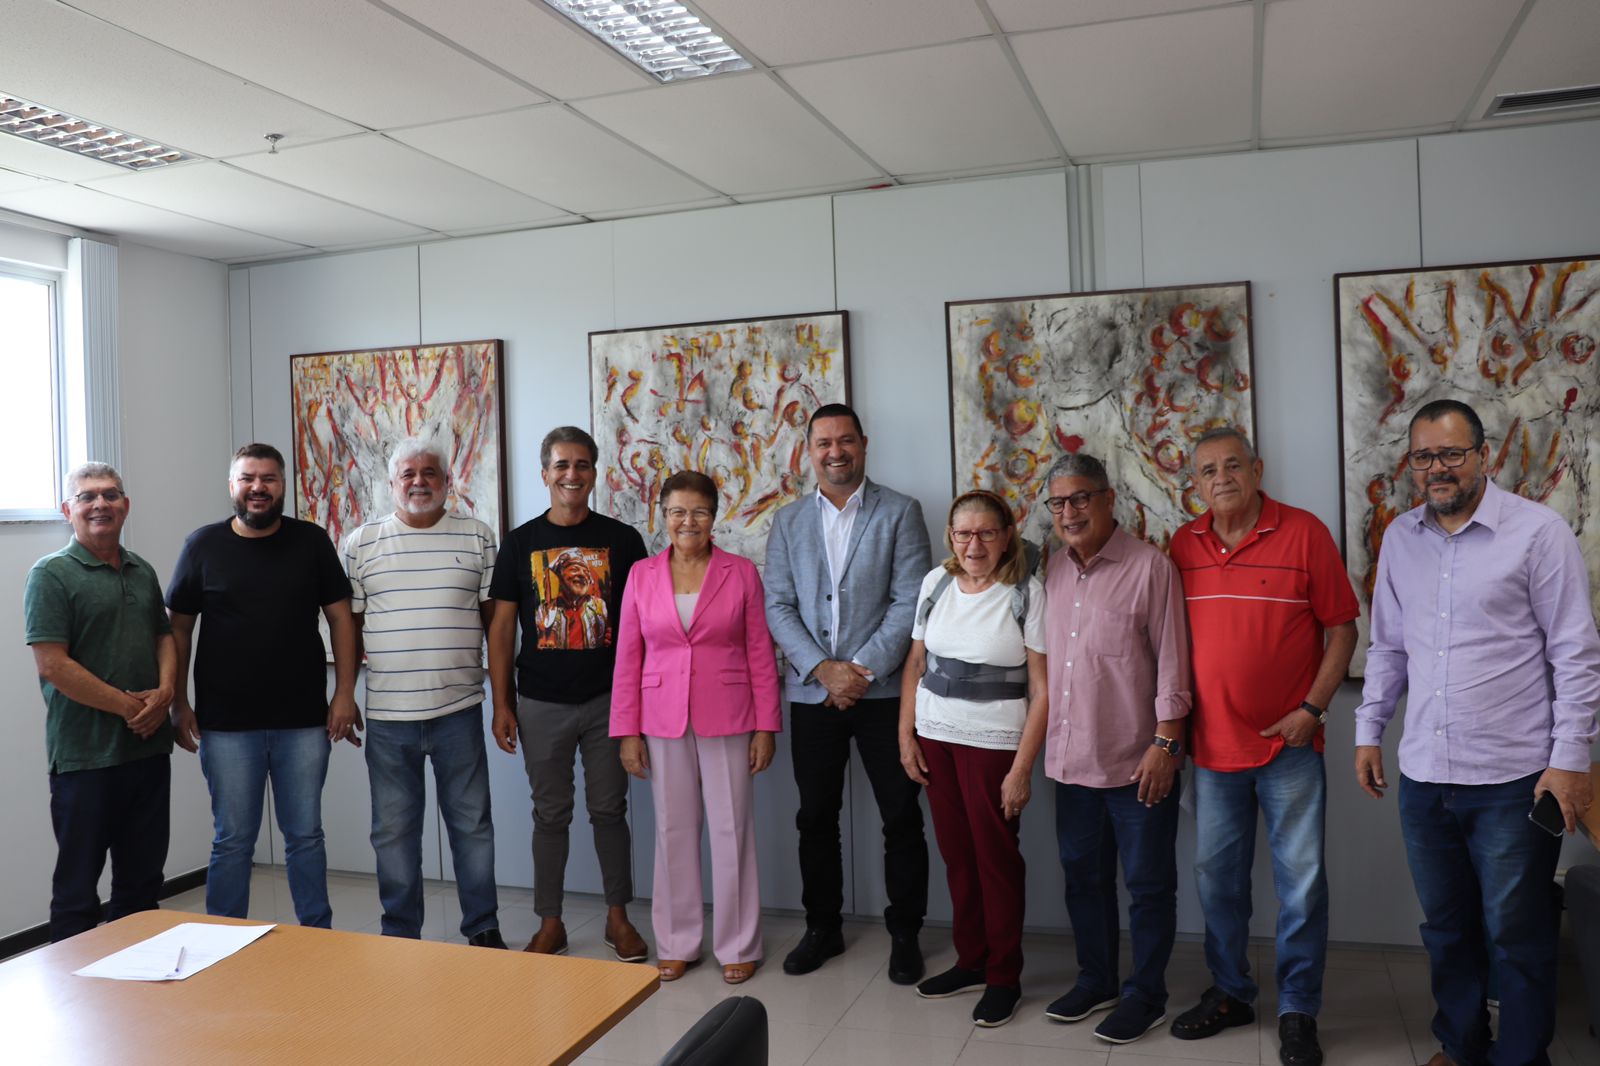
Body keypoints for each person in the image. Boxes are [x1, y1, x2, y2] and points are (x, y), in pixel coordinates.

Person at [1354, 398, 1600, 1066]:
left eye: (1452, 454)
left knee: (1518, 936)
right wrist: (1369, 729)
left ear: (1483, 456)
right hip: (1426, 776)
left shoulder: (1538, 533)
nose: (1438, 468)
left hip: (1515, 780)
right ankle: (1461, 1047)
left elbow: (1575, 654)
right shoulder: (1400, 538)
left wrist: (1570, 762)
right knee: (1447, 930)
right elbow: (1388, 649)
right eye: (1425, 456)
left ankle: (1521, 1058)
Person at [1167, 426, 1358, 1066]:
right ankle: (1231, 992)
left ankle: (1299, 1010)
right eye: (1206, 471)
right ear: (1193, 483)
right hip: (1213, 752)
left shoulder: (1303, 533)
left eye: (1231, 466)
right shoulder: (1181, 544)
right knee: (1217, 882)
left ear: (1257, 468)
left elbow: (1341, 631)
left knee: (1301, 886)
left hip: (1290, 750)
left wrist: (1313, 708)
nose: (1220, 478)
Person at [764, 402, 933, 983]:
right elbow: (778, 605)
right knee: (815, 817)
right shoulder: (786, 522)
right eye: (823, 443)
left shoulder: (901, 512)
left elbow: (910, 602)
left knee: (901, 817)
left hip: (883, 695)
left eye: (845, 441)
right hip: (813, 696)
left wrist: (857, 671)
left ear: (864, 444)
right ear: (808, 452)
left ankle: (906, 932)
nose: (835, 452)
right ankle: (823, 928)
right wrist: (821, 670)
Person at [167, 442, 360, 928]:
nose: (258, 488)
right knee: (232, 839)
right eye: (248, 478)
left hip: (303, 721)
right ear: (232, 486)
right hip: (227, 725)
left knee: (305, 836)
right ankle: (222, 938)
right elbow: (178, 630)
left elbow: (341, 618)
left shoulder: (311, 542)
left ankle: (317, 934)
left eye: (268, 479)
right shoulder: (202, 546)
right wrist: (178, 702)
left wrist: (343, 694)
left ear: (282, 487)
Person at [1040, 454, 1191, 1044]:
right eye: (1058, 503)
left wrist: (1165, 743)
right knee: (1084, 880)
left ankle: (1146, 994)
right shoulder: (1052, 571)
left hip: (1137, 762)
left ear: (1108, 500)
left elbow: (1174, 662)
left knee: (1149, 885)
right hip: (1072, 762)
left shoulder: (1151, 568)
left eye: (1080, 498)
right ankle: (1096, 979)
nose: (1069, 512)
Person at [612, 471, 781, 984]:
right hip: (661, 719)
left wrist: (766, 725)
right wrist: (627, 731)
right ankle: (678, 941)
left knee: (732, 833)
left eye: (700, 512)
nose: (689, 522)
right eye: (678, 512)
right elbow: (628, 657)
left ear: (715, 516)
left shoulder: (741, 572)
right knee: (673, 832)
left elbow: (759, 651)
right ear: (662, 515)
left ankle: (738, 943)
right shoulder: (642, 574)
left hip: (729, 715)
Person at [488, 426, 649, 960]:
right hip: (540, 702)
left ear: (594, 472)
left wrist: (638, 703)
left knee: (609, 810)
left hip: (609, 700)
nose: (571, 475)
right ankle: (550, 923)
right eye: (561, 465)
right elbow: (503, 627)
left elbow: (640, 626)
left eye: (581, 465)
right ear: (544, 473)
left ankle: (617, 919)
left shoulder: (624, 542)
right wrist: (503, 702)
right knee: (550, 814)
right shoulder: (519, 543)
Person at [341, 436, 505, 948]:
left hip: (459, 710)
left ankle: (483, 928)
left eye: (429, 473)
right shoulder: (360, 543)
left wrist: (504, 699)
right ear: (391, 484)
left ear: (447, 481)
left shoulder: (478, 537)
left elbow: (494, 624)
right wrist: (344, 693)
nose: (418, 482)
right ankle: (399, 935)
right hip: (389, 716)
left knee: (472, 825)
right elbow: (350, 626)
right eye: (407, 474)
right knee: (393, 832)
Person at [898, 490, 1047, 1028]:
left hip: (993, 746)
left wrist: (1022, 768)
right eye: (964, 533)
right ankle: (972, 960)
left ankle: (1004, 975)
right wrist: (905, 735)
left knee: (996, 860)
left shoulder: (1026, 592)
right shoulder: (934, 584)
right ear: (950, 538)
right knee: (958, 857)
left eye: (987, 532)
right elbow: (916, 662)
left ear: (1007, 534)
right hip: (935, 737)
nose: (974, 544)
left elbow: (1043, 688)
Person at [24, 463, 177, 942]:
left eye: (110, 495)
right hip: (84, 759)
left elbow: (164, 636)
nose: (100, 504)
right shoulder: (50, 574)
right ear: (68, 510)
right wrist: (131, 708)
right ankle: (75, 1004)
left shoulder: (142, 569)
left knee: (142, 886)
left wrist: (167, 692)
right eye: (87, 497)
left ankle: (135, 997)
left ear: (125, 506)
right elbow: (52, 664)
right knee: (77, 894)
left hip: (148, 754)